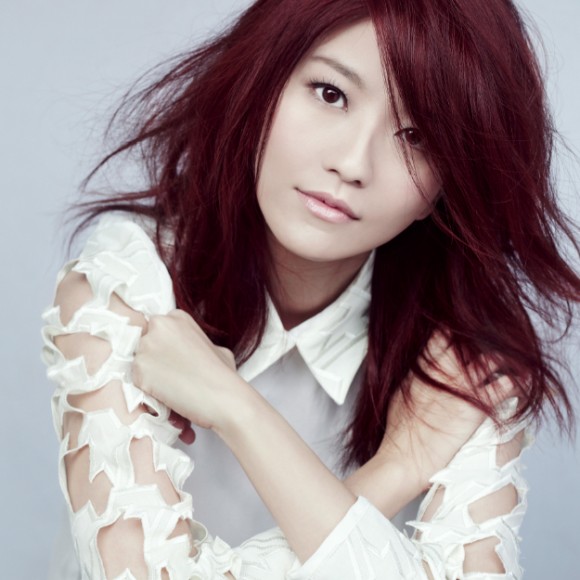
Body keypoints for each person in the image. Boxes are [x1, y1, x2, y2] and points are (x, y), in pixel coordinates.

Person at [41, 0, 579, 578]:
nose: (352, 163)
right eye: (331, 94)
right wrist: (398, 471)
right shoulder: (127, 285)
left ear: (446, 186)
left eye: (417, 136)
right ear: (263, 83)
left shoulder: (465, 365)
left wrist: (239, 411)